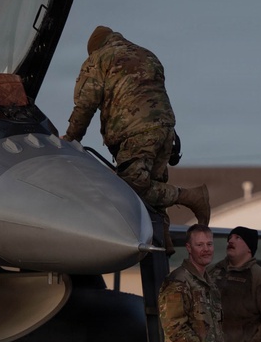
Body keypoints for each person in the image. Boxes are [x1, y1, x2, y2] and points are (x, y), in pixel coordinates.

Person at [63, 25, 210, 247]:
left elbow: (86, 104)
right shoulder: (147, 54)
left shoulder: (99, 58)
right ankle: (164, 243)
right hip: (165, 131)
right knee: (153, 187)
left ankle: (190, 196)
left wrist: (71, 139)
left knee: (130, 187)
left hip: (135, 133)